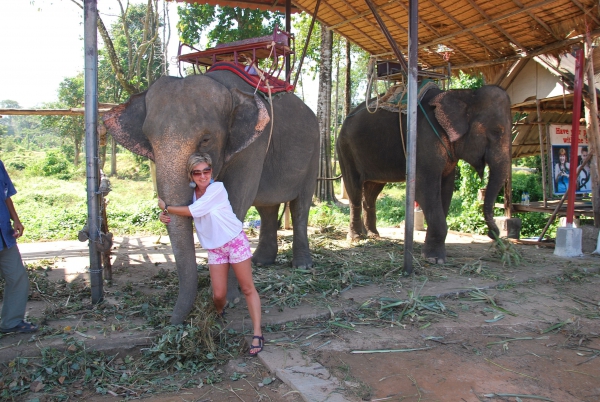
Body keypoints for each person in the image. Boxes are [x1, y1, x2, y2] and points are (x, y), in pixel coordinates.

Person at [158, 153, 264, 355]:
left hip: (234, 241)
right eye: (197, 173)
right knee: (218, 295)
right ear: (191, 175)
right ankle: (218, 312)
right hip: (215, 248)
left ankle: (257, 333)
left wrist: (167, 207)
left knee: (248, 288)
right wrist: (164, 214)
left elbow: (194, 211)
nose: (203, 176)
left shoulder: (217, 188)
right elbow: (185, 210)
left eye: (206, 171)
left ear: (211, 171)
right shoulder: (192, 195)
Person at [0, 160, 38, 334]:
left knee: (17, 277)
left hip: (4, 234)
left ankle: (11, 322)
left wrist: (16, 219)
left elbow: (6, 195)